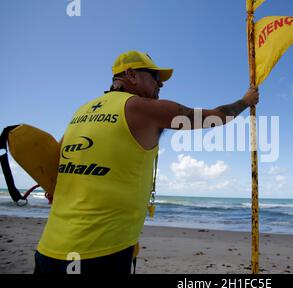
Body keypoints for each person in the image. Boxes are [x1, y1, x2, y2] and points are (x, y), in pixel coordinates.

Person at [34, 50, 259, 274]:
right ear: (131, 75)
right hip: (102, 252)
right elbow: (216, 117)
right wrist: (245, 101)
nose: (160, 84)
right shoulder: (143, 108)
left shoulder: (80, 113)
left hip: (49, 250)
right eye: (154, 76)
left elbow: (58, 164)